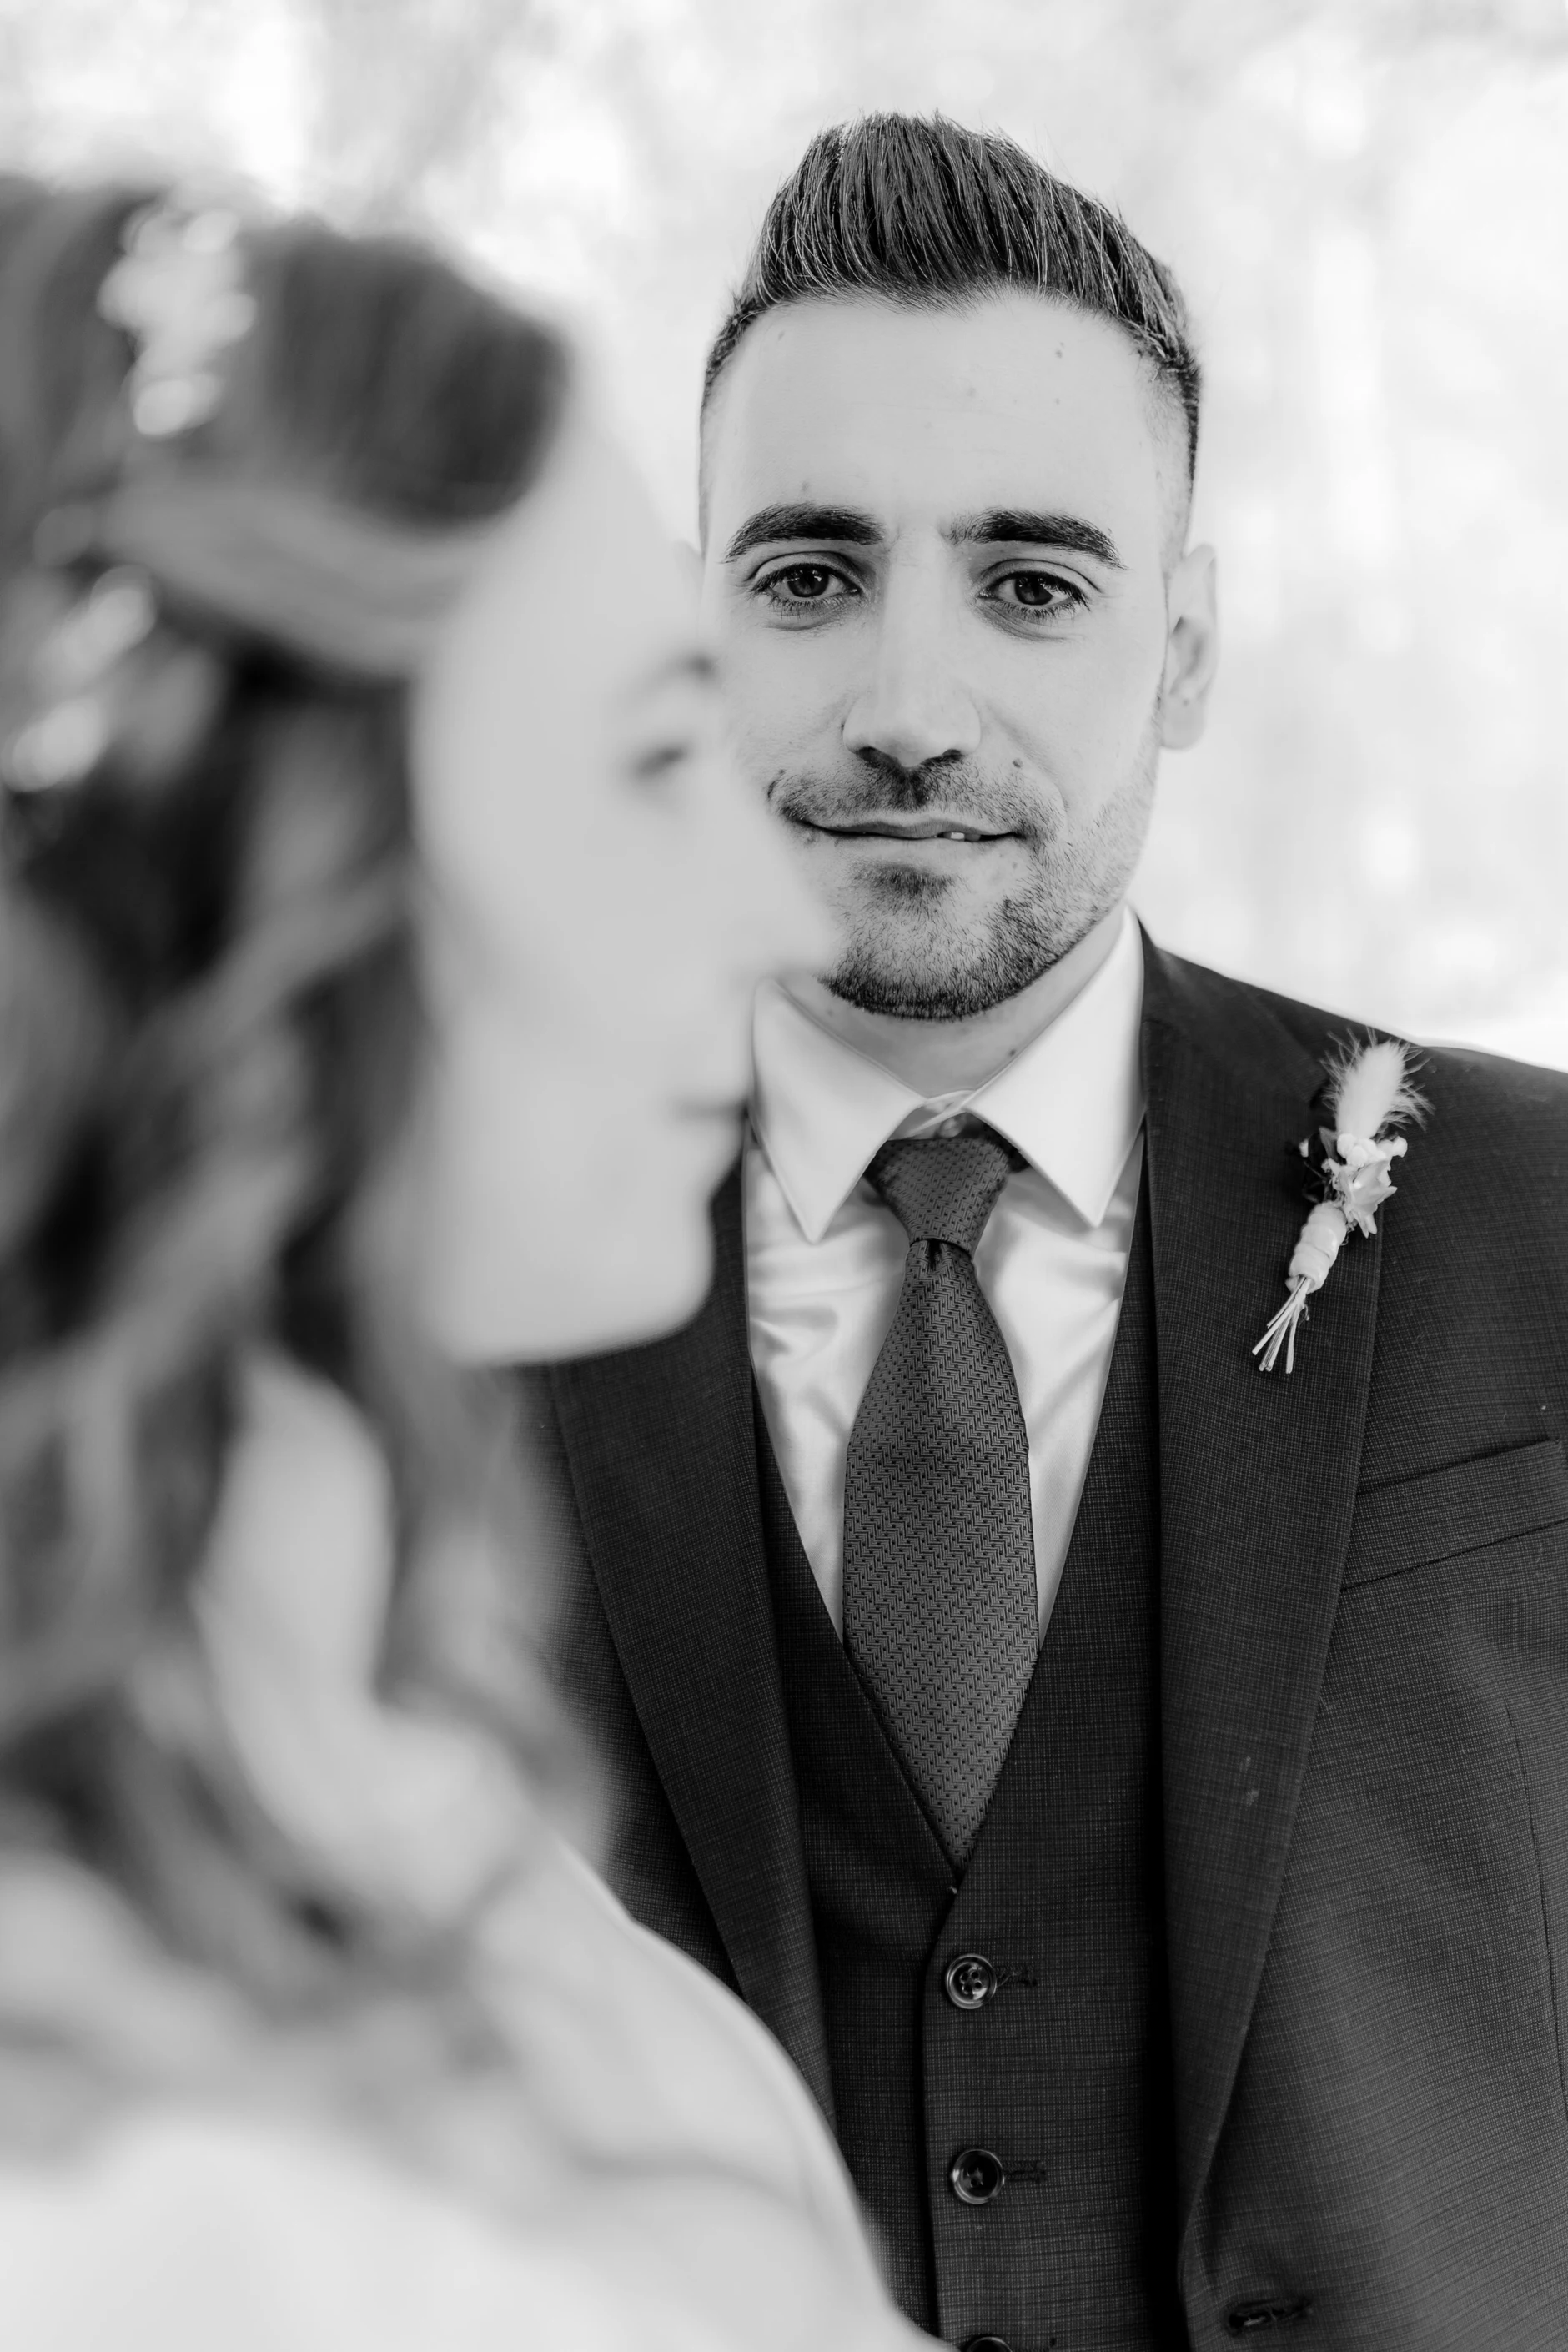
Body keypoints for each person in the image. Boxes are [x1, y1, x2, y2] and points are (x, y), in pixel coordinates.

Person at [526, 114, 1568, 2352]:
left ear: (1181, 649)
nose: (909, 710)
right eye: (810, 577)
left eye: (1035, 584)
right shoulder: (429, 1274)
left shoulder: (1542, 1224)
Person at [0, 175, 923, 2350]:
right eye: (648, 758)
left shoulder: (391, 1779)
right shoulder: (134, 2194)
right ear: (264, 892)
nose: (789, 919)